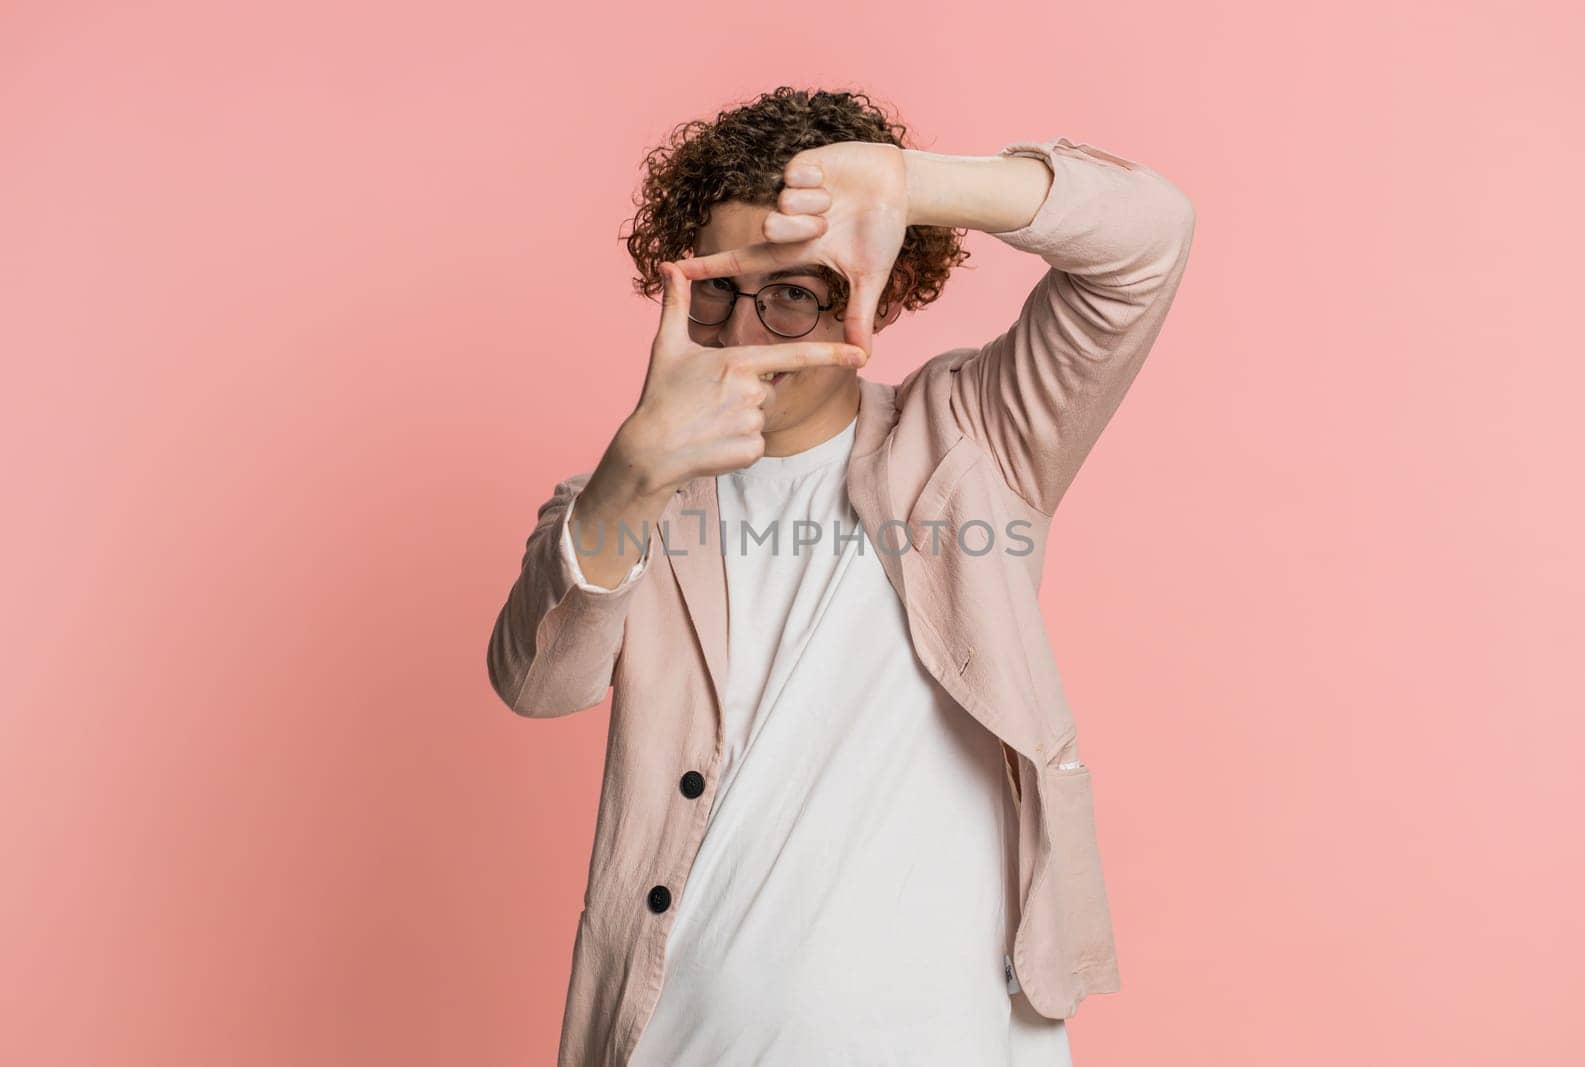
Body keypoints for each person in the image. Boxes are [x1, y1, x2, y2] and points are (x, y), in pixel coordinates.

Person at [487, 85, 1194, 1066]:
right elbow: (537, 681)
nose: (746, 334)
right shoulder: (620, 497)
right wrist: (627, 479)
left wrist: (909, 184)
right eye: (720, 292)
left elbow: (1148, 235)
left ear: (870, 289)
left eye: (792, 293)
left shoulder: (974, 438)